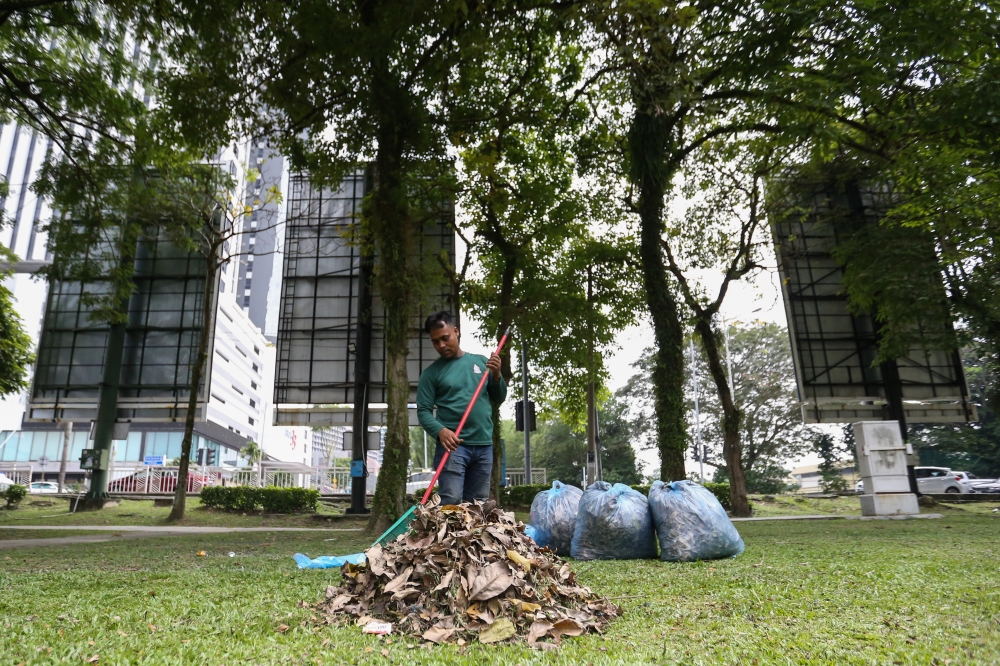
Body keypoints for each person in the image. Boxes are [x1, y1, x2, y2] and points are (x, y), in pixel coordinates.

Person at [416, 311, 506, 505]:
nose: (441, 345)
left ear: (456, 331)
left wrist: (497, 375)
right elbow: (423, 411)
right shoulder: (431, 374)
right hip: (453, 447)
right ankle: (446, 536)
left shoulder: (482, 363)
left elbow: (499, 397)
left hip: (483, 445)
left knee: (478, 504)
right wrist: (440, 431)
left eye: (445, 338)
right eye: (435, 341)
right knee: (451, 501)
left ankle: (472, 537)